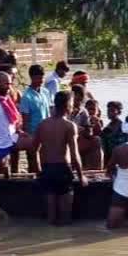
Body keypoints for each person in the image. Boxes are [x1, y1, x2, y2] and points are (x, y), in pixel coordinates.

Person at [33, 91, 88, 225]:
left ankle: (50, 233)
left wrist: (38, 170)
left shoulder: (42, 124)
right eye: (71, 103)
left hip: (47, 170)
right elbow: (75, 155)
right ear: (67, 106)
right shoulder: (69, 126)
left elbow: (34, 150)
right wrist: (81, 177)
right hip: (63, 170)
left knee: (51, 217)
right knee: (66, 217)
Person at [20, 64, 53, 173]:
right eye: (38, 78)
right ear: (32, 78)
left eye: (42, 77)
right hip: (33, 134)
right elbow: (25, 120)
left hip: (47, 132)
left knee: (46, 161)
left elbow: (49, 112)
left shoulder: (45, 92)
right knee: (33, 162)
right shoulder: (26, 97)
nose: (41, 80)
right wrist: (28, 137)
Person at [77, 99, 104, 170]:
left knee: (97, 140)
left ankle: (97, 169)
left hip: (92, 144)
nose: (91, 111)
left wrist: (96, 123)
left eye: (93, 109)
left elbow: (100, 134)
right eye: (89, 109)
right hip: (82, 142)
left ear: (97, 111)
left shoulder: (98, 121)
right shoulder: (83, 117)